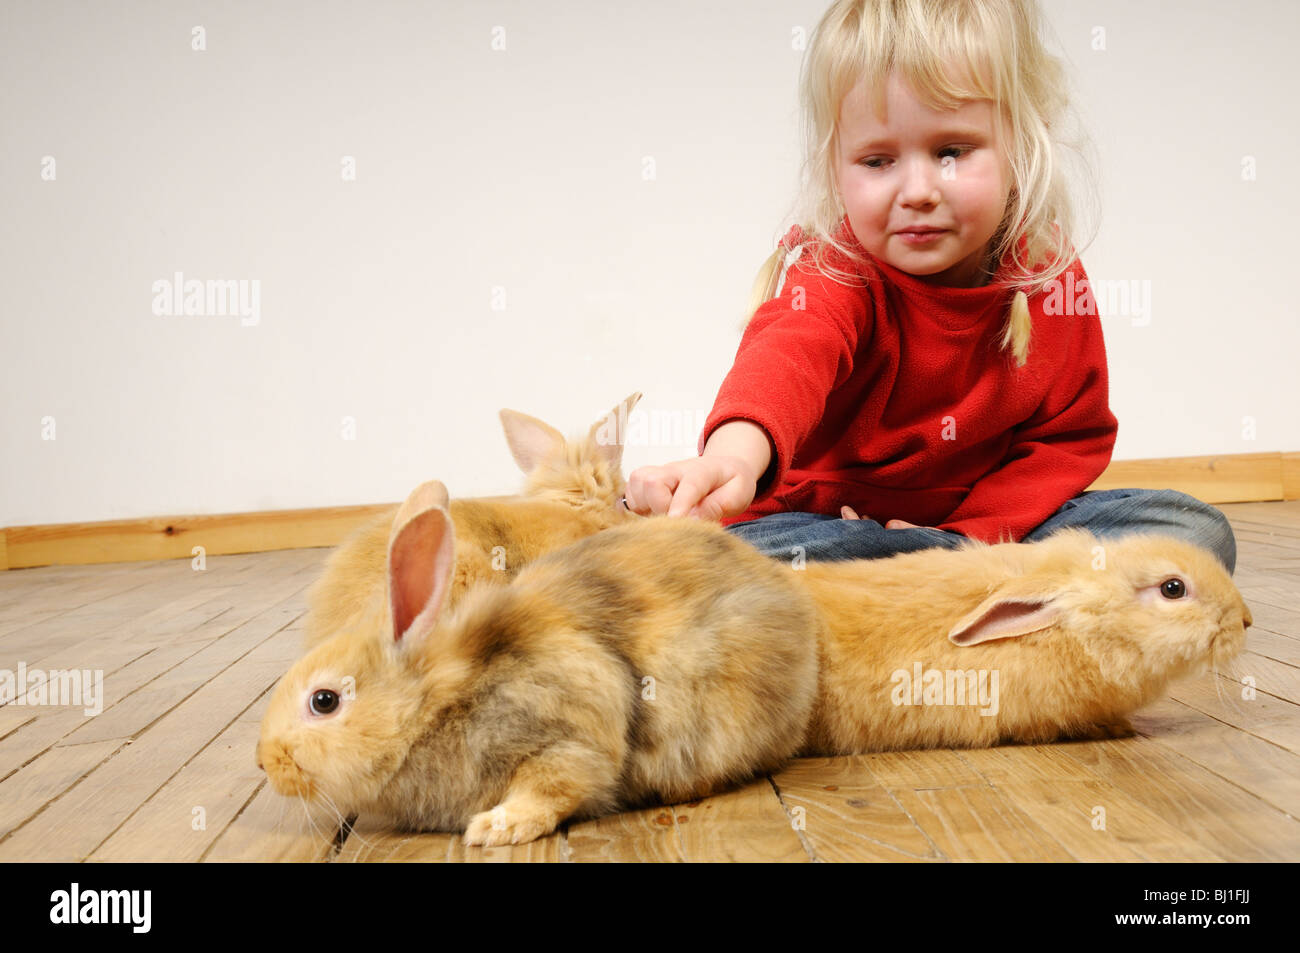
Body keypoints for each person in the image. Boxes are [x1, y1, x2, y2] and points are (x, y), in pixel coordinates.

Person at [622, 0, 1237, 574]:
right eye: (877, 161)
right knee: (753, 557)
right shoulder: (836, 268)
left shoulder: (1046, 275)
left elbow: (1066, 439)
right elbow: (787, 358)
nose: (916, 190)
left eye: (950, 151)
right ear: (837, 166)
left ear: (1021, 145)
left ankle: (938, 592)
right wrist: (732, 459)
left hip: (982, 538)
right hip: (834, 528)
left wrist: (973, 539)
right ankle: (947, 601)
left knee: (1188, 533)